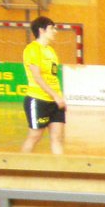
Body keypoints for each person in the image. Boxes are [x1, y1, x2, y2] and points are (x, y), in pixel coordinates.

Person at [21, 16, 66, 154]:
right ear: (41, 30)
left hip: (54, 102)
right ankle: (20, 164)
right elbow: (37, 77)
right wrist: (55, 95)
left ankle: (60, 167)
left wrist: (59, 96)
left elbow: (52, 77)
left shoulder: (51, 51)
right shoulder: (32, 49)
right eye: (51, 28)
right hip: (38, 99)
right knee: (35, 136)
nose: (55, 31)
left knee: (57, 138)